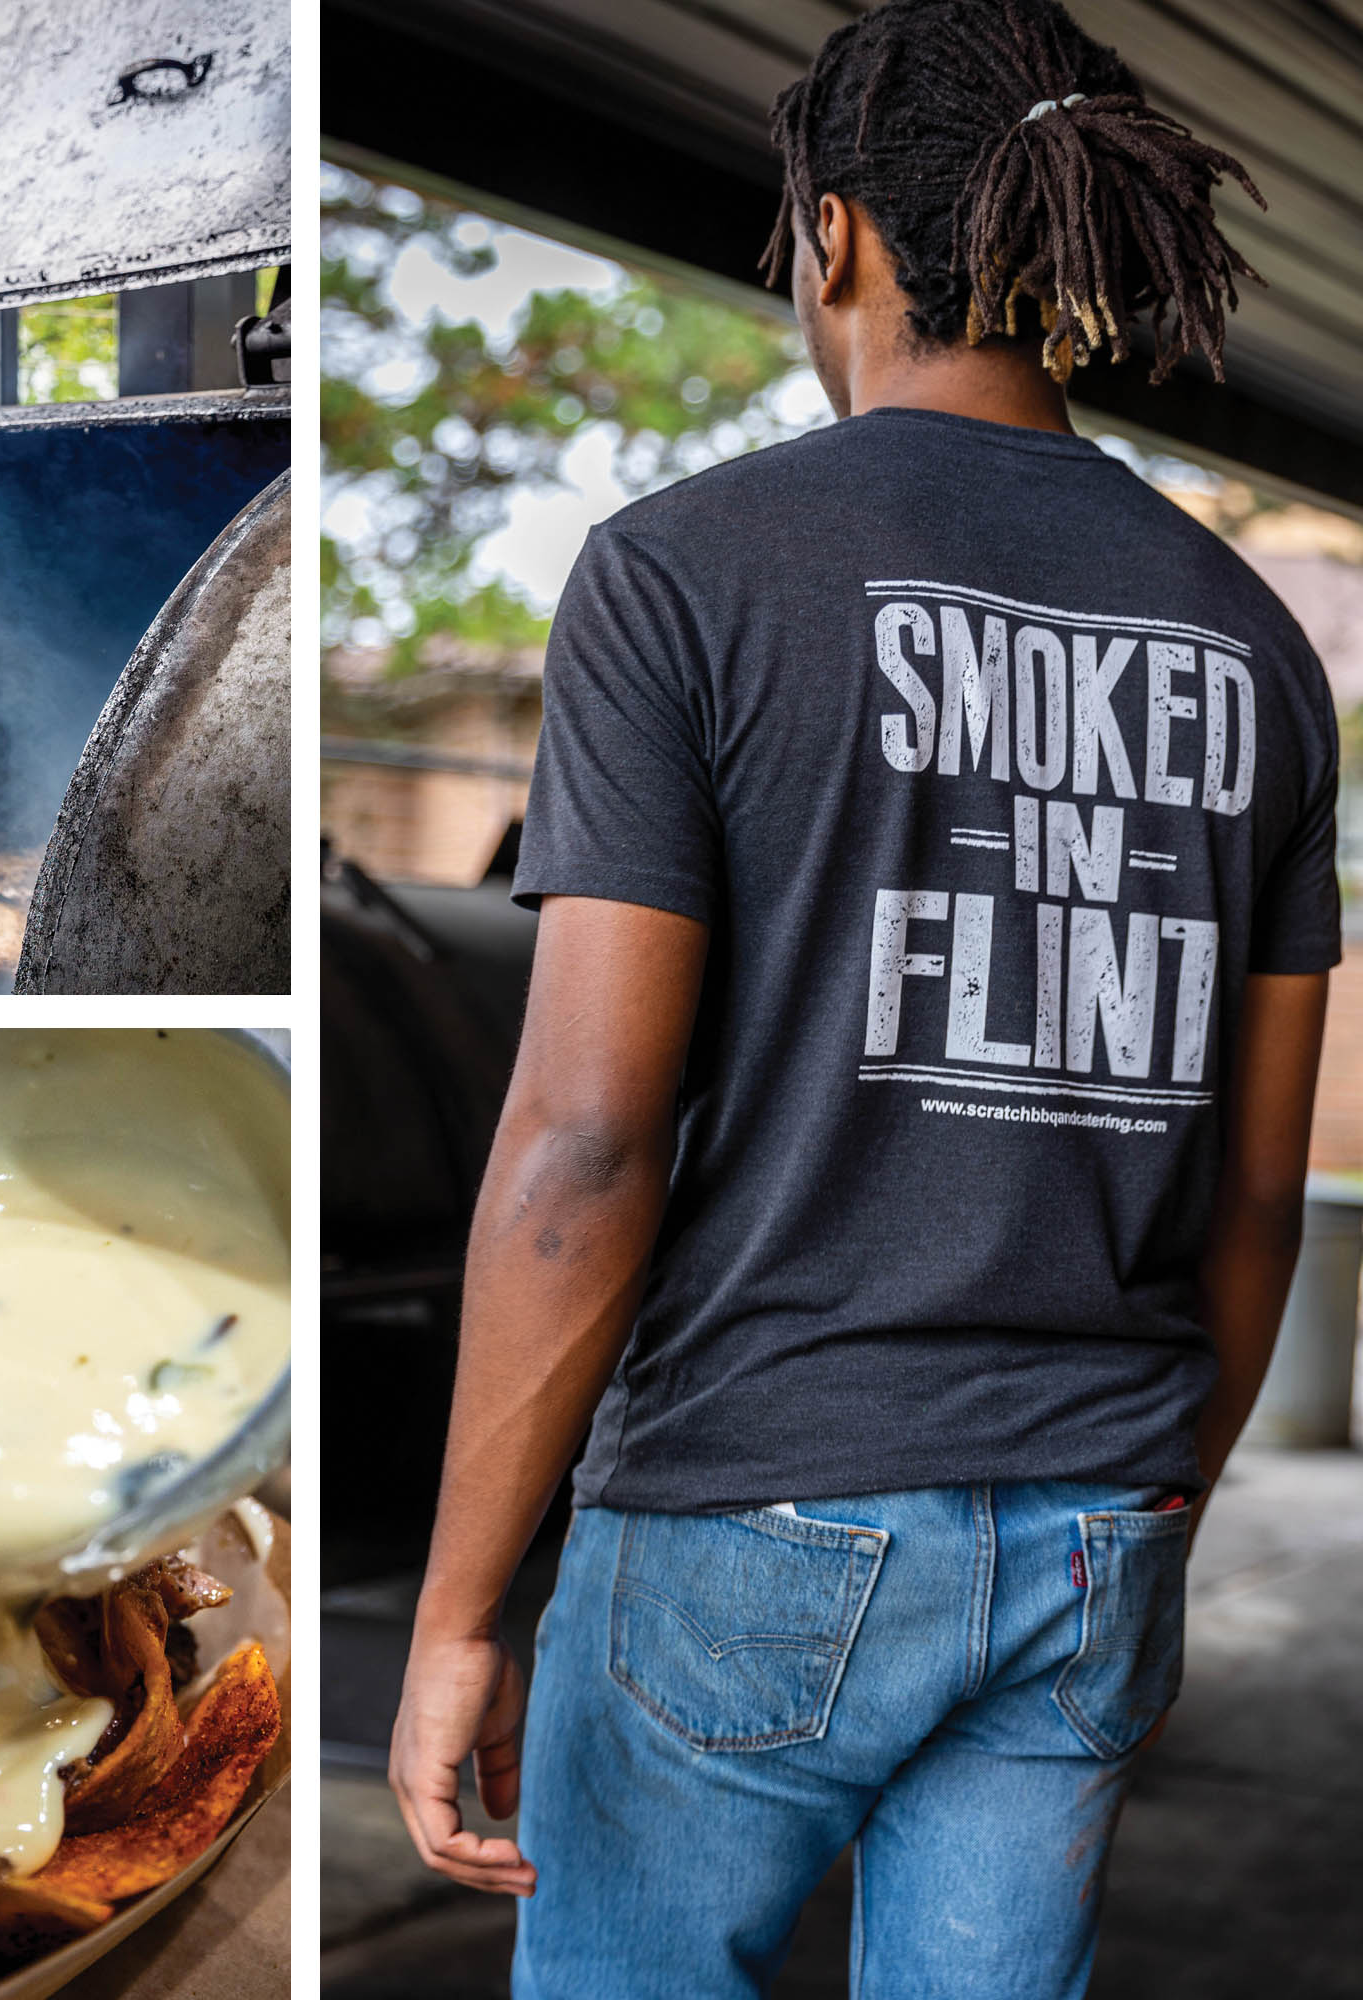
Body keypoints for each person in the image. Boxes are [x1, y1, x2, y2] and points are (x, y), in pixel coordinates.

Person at [388, 2, 1337, 1994]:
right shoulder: (1248, 642)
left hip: (750, 1499)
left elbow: (583, 1136)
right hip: (1093, 1520)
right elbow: (1254, 1192)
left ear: (836, 241)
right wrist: (1159, 1493)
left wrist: (459, 1597)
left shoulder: (686, 573)